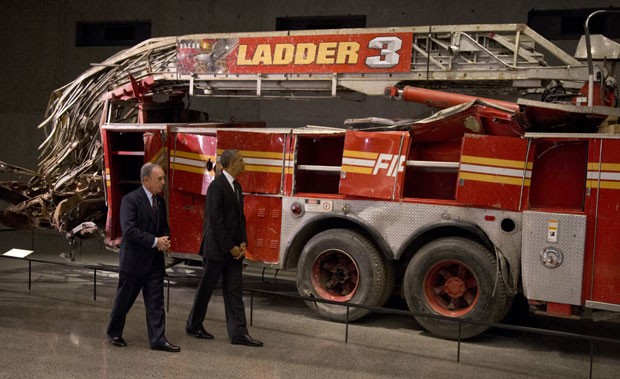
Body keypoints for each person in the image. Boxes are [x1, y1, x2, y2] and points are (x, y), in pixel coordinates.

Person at [186, 149, 263, 347]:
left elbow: (240, 218)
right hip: (217, 249)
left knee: (234, 290)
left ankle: (239, 333)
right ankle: (194, 325)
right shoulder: (216, 187)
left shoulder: (237, 186)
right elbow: (215, 222)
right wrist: (230, 247)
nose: (244, 162)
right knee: (207, 288)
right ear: (230, 164)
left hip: (234, 250)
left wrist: (243, 241)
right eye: (240, 160)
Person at [106, 163, 180, 353]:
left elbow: (163, 226)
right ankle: (114, 332)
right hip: (134, 262)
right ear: (146, 180)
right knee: (124, 300)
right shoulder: (130, 200)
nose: (163, 182)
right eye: (159, 179)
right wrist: (155, 241)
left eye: (163, 178)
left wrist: (165, 239)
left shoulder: (160, 202)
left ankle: (158, 339)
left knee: (156, 302)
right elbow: (129, 230)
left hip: (154, 262)